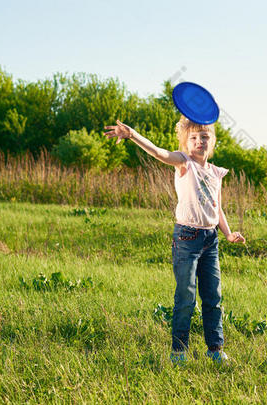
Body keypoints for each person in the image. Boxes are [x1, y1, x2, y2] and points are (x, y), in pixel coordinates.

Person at [103, 116, 246, 365]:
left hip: (210, 241)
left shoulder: (215, 172)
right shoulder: (184, 163)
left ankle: (215, 348)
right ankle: (179, 351)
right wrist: (133, 135)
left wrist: (228, 233)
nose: (200, 141)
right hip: (187, 238)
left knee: (213, 297)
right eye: (193, 137)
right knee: (186, 296)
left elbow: (217, 207)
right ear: (185, 142)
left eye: (205, 137)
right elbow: (159, 153)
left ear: (212, 141)